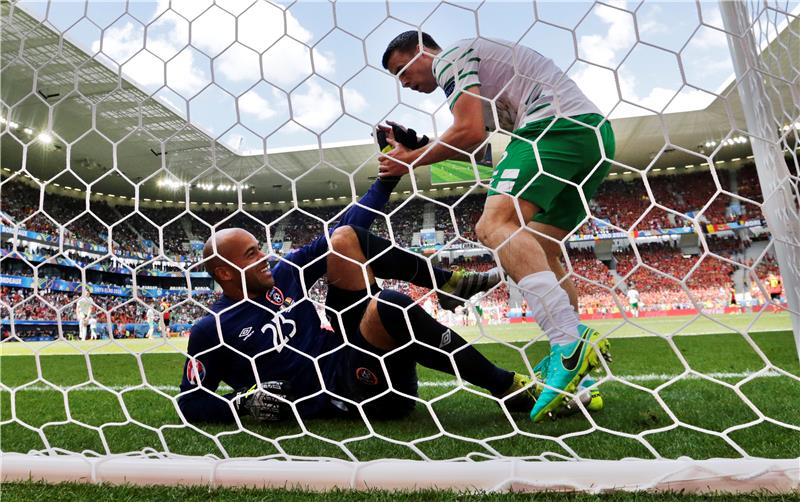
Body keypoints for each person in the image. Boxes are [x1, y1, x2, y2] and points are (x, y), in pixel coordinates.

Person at [379, 32, 614, 421]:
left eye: (401, 69)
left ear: (423, 51)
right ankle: (578, 377)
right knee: (543, 245)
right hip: (593, 136)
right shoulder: (473, 72)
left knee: (492, 225)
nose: (402, 82)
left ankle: (568, 343)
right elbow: (476, 148)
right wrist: (421, 147)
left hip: (553, 128)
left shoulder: (451, 56)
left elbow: (467, 131)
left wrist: (410, 161)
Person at [176, 178, 537, 424]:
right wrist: (240, 404)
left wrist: (386, 180)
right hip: (353, 395)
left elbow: (347, 230)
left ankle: (447, 282)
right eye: (251, 254)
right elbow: (190, 402)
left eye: (260, 248)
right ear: (224, 273)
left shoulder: (285, 274)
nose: (264, 258)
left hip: (360, 353)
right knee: (391, 304)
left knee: (346, 238)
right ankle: (507, 385)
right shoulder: (212, 329)